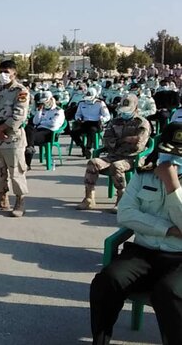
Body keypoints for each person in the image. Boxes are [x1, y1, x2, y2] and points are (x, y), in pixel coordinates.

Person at [89, 123, 182, 345]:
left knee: (167, 292)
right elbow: (126, 214)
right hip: (144, 251)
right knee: (106, 281)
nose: (173, 159)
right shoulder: (145, 174)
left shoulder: (168, 178)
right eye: (170, 151)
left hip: (179, 257)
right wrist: (167, 229)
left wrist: (172, 186)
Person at [77, 94, 150, 213]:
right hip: (114, 155)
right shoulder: (115, 122)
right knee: (93, 162)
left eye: (128, 110)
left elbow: (138, 144)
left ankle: (122, 198)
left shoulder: (141, 123)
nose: (125, 113)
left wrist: (118, 142)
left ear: (135, 108)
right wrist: (125, 140)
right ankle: (89, 198)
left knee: (117, 166)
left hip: (132, 157)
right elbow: (106, 140)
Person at [0, 60, 30, 217]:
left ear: (14, 73)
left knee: (16, 171)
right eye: (1, 71)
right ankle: (2, 200)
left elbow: (19, 115)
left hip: (12, 137)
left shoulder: (20, 91)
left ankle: (20, 202)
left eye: (6, 72)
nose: (3, 74)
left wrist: (1, 129)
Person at [24, 91, 65, 169]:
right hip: (39, 130)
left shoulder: (58, 110)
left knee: (28, 139)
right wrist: (39, 111)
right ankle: (30, 149)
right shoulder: (42, 109)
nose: (44, 104)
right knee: (28, 128)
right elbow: (35, 121)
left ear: (51, 99)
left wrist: (42, 122)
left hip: (49, 133)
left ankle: (27, 161)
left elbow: (53, 123)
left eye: (45, 101)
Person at [70, 87, 111, 159]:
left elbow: (107, 116)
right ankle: (83, 147)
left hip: (96, 123)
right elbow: (78, 114)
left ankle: (89, 148)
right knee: (73, 132)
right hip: (85, 122)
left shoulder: (100, 103)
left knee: (91, 130)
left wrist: (103, 120)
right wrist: (78, 118)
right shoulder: (82, 103)